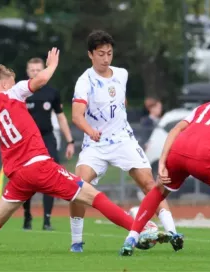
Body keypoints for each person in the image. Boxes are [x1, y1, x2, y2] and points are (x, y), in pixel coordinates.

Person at [0, 49, 164, 253]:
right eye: (12, 80)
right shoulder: (13, 92)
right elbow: (38, 82)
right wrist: (51, 66)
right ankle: (140, 230)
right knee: (95, 197)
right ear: (5, 84)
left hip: (18, 175)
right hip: (39, 166)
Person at [70, 30, 181, 253]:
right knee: (77, 186)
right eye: (101, 53)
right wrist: (91, 131)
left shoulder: (122, 74)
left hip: (123, 140)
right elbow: (76, 115)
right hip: (96, 144)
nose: (106, 58)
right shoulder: (85, 81)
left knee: (150, 184)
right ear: (91, 54)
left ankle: (173, 233)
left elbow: (120, 100)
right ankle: (76, 242)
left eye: (109, 53)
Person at [119, 100, 210, 257]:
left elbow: (176, 129)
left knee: (159, 191)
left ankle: (131, 239)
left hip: (179, 149)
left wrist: (162, 162)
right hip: (207, 155)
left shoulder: (205, 106)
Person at [22, 57, 75, 231]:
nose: (36, 73)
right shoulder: (21, 91)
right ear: (28, 71)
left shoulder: (52, 92)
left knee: (50, 178)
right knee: (26, 180)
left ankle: (47, 220)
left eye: (39, 70)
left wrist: (69, 141)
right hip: (27, 141)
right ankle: (27, 217)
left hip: (47, 138)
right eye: (32, 70)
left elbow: (60, 117)